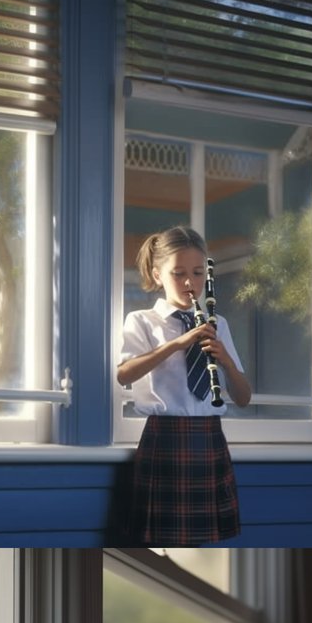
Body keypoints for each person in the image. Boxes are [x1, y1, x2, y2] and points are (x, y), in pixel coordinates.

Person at [118, 227, 253, 546]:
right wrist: (178, 343)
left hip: (209, 437)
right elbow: (124, 374)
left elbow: (243, 398)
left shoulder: (218, 325)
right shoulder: (142, 321)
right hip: (165, 438)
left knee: (203, 541)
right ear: (158, 274)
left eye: (197, 272)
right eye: (178, 273)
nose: (190, 283)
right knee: (160, 539)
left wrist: (227, 363)